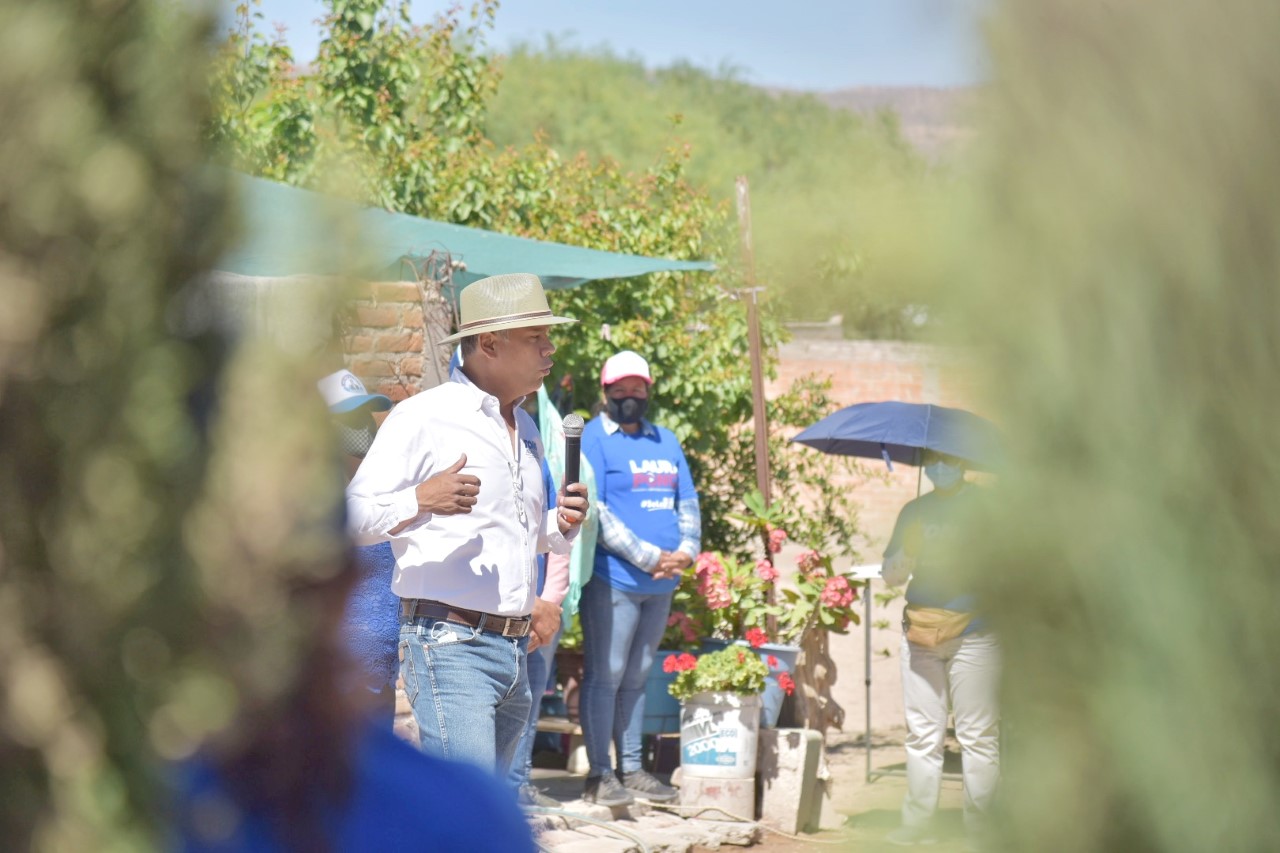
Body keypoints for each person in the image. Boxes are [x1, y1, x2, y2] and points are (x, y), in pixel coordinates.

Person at [345, 273, 588, 779]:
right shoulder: (423, 417)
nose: (550, 350)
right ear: (488, 343)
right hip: (450, 648)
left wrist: (557, 525)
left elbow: (513, 531)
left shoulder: (523, 427)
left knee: (485, 823)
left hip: (512, 653)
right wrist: (420, 499)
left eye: (549, 337)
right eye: (535, 338)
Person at [577, 350, 700, 806]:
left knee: (638, 676)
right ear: (606, 391)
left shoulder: (664, 441)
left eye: (638, 388)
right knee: (605, 675)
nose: (631, 396)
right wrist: (650, 556)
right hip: (615, 580)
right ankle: (599, 774)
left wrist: (685, 552)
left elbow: (686, 501)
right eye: (621, 389)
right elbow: (596, 509)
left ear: (648, 391)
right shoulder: (594, 438)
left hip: (661, 584)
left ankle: (632, 768)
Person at [881, 449, 999, 847]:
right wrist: (906, 554)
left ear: (964, 464)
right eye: (931, 461)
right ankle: (916, 827)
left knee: (978, 735)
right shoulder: (914, 511)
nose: (939, 469)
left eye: (947, 461)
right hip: (921, 635)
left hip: (976, 635)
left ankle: (981, 832)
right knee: (922, 735)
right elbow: (891, 577)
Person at [316, 368, 399, 724]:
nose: (362, 428)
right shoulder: (313, 498)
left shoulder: (388, 485)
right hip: (335, 682)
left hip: (382, 674)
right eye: (348, 419)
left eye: (365, 417)